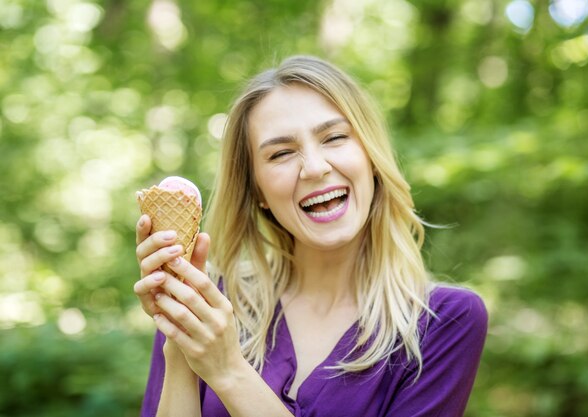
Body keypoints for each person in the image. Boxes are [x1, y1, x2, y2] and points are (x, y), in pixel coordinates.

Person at [134, 55, 488, 417]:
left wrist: (229, 372)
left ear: (371, 156)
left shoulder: (446, 321)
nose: (316, 168)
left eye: (334, 138)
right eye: (282, 153)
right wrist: (180, 340)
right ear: (257, 190)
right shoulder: (205, 305)